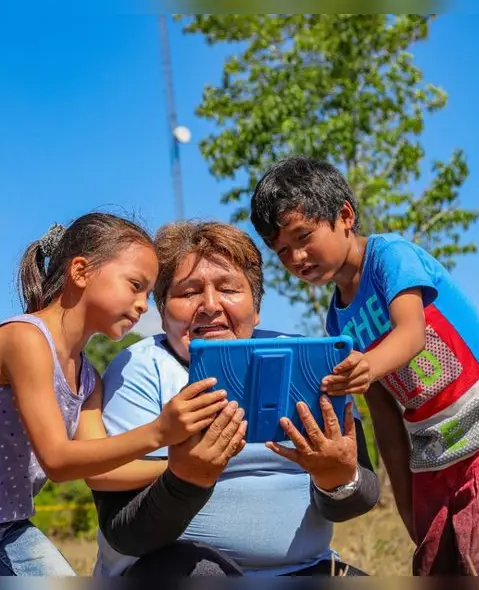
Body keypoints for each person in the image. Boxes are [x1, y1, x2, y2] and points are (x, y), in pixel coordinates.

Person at [0, 212, 230, 576]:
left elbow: (101, 473)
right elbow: (58, 460)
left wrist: (181, 467)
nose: (144, 304)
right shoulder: (25, 339)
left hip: (6, 526)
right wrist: (161, 432)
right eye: (134, 285)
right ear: (80, 271)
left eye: (148, 293)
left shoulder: (87, 378)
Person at [250, 156, 479, 577]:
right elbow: (385, 415)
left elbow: (411, 333)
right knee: (433, 566)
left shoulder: (390, 257)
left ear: (345, 216)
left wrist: (366, 364)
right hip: (433, 451)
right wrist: (409, 511)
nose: (296, 256)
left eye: (303, 236)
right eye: (282, 250)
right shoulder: (338, 319)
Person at [83, 220, 380, 578]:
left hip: (305, 569)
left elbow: (360, 498)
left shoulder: (309, 360)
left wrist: (336, 480)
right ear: (163, 313)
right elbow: (124, 532)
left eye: (228, 288)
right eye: (188, 292)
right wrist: (186, 480)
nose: (209, 305)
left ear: (255, 307)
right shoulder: (140, 367)